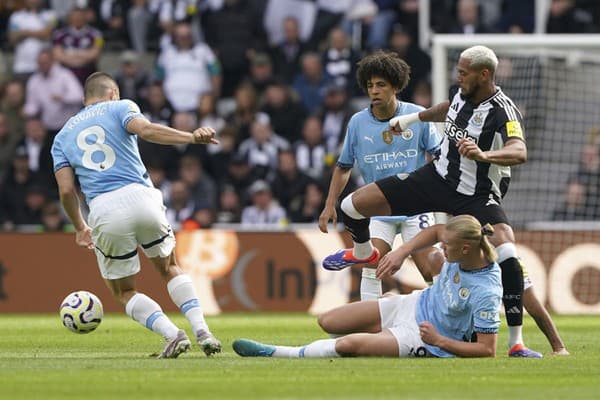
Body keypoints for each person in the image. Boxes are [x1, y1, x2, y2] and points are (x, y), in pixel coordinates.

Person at [321, 45, 559, 358]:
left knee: (507, 256)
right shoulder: (459, 93)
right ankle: (365, 254)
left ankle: (519, 342)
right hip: (436, 180)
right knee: (352, 205)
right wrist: (412, 120)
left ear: (484, 74)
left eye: (463, 72)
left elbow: (519, 151)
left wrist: (483, 154)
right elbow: (449, 108)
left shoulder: (504, 110)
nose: (456, 77)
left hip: (475, 196)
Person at [51, 72, 222, 359]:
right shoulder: (121, 107)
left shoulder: (62, 137)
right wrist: (190, 137)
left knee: (123, 290)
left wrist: (81, 226)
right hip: (143, 197)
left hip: (104, 208)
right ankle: (202, 330)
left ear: (84, 100)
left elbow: (67, 191)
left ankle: (173, 335)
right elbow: (147, 130)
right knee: (169, 267)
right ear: (113, 93)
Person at [233, 215, 502, 359]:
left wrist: (440, 340)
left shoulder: (485, 291)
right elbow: (435, 232)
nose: (443, 248)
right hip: (412, 304)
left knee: (347, 345)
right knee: (327, 321)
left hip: (425, 337)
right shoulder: (467, 236)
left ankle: (279, 353)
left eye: (448, 246)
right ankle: (379, 336)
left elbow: (487, 350)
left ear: (466, 249)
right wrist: (402, 252)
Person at [318, 51, 442, 301]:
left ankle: (446, 321)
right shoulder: (357, 122)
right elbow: (343, 167)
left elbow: (441, 158)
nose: (374, 90)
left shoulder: (417, 115)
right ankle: (370, 328)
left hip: (416, 208)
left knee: (431, 268)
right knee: (371, 268)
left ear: (395, 86)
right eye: (370, 85)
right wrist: (330, 204)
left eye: (381, 85)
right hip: (378, 210)